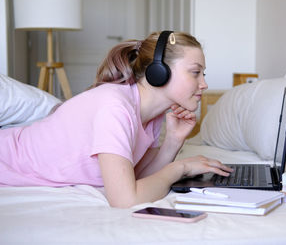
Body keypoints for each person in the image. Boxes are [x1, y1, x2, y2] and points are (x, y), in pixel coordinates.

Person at [0, 31, 232, 208]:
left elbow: (136, 174)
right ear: (158, 71)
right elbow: (124, 200)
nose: (204, 84)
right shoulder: (115, 107)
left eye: (204, 74)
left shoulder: (151, 114)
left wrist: (173, 141)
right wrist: (179, 168)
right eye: (195, 72)